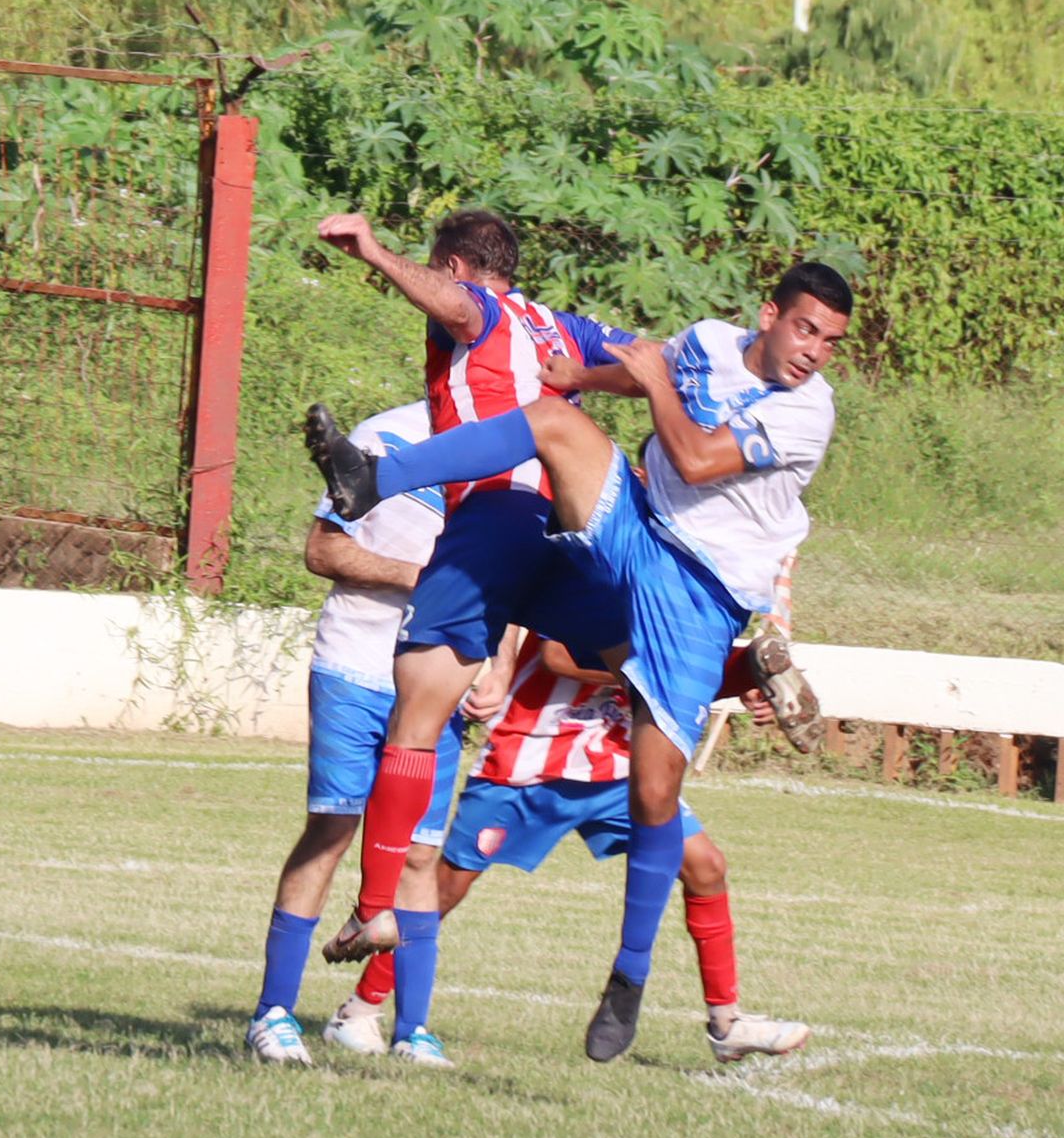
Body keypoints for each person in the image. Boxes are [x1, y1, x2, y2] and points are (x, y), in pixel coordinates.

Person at [307, 260, 852, 1060]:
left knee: (658, 799)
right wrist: (583, 376)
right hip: (640, 539)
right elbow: (651, 377)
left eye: (830, 342)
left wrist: (653, 380)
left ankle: (630, 978)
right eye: (806, 329)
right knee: (554, 421)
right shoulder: (706, 342)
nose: (814, 352)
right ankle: (375, 477)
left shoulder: (810, 414)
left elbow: (697, 457)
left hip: (698, 596)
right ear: (769, 313)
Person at [308, 210, 637, 969]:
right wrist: (587, 377)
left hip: (489, 521)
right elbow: (643, 362)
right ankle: (746, 666)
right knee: (638, 663)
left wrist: (374, 253)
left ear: (455, 264)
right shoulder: (563, 328)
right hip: (564, 533)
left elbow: (461, 308)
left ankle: (374, 909)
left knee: (415, 722)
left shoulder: (478, 307)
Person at [337, 630, 811, 1063]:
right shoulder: (603, 558)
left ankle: (726, 1022)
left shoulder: (692, 583)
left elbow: (690, 661)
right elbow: (559, 653)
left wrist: (745, 679)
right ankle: (357, 1012)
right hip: (531, 755)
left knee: (705, 867)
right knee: (441, 892)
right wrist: (671, 679)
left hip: (619, 759)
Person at [246, 401, 486, 1067]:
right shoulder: (385, 436)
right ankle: (273, 1015)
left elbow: (517, 576)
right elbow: (322, 548)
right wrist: (419, 579)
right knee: (330, 829)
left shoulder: (511, 447)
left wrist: (504, 661)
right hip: (357, 667)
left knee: (419, 857)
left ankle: (406, 1029)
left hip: (440, 682)